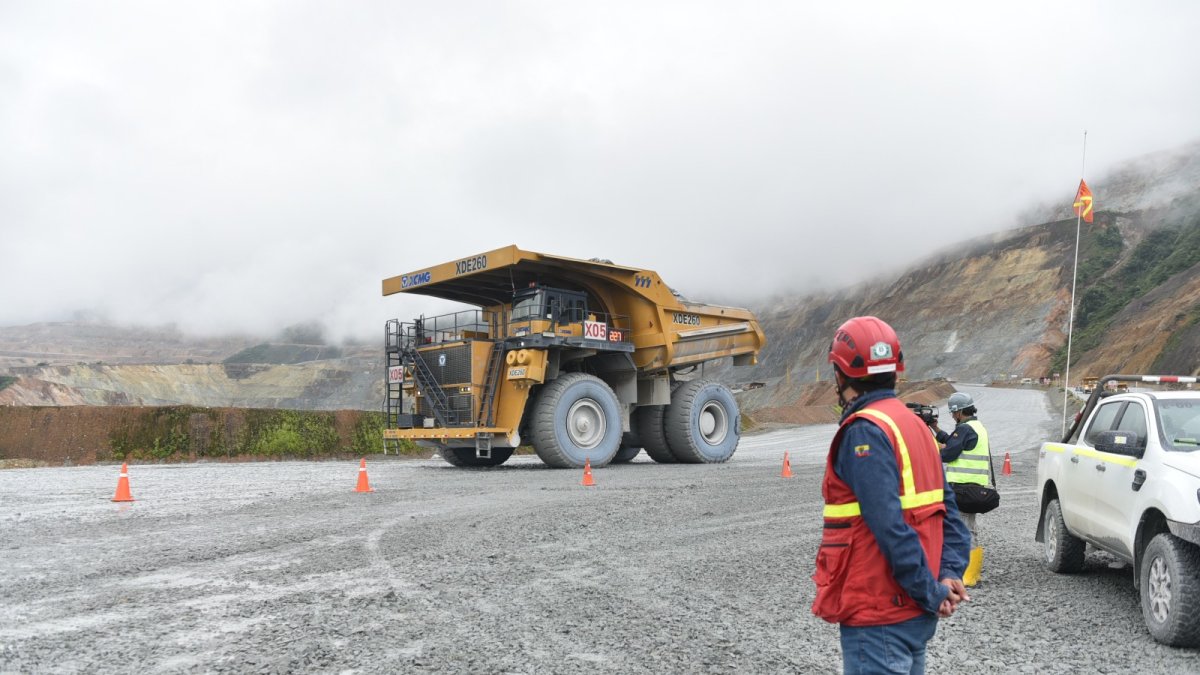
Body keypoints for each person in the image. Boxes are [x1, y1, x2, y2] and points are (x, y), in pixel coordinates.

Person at [812, 316, 972, 675]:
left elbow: (889, 527)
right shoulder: (914, 424)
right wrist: (946, 575)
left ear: (840, 374)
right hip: (914, 611)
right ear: (896, 372)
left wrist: (931, 592)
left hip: (879, 609)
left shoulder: (865, 431)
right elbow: (949, 512)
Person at [933, 391, 992, 586]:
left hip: (963, 488)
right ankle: (971, 574)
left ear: (958, 412)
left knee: (963, 530)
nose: (952, 416)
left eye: (952, 413)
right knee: (970, 528)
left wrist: (932, 445)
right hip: (974, 488)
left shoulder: (965, 429)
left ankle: (969, 577)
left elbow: (948, 452)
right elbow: (953, 441)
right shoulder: (977, 427)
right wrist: (935, 428)